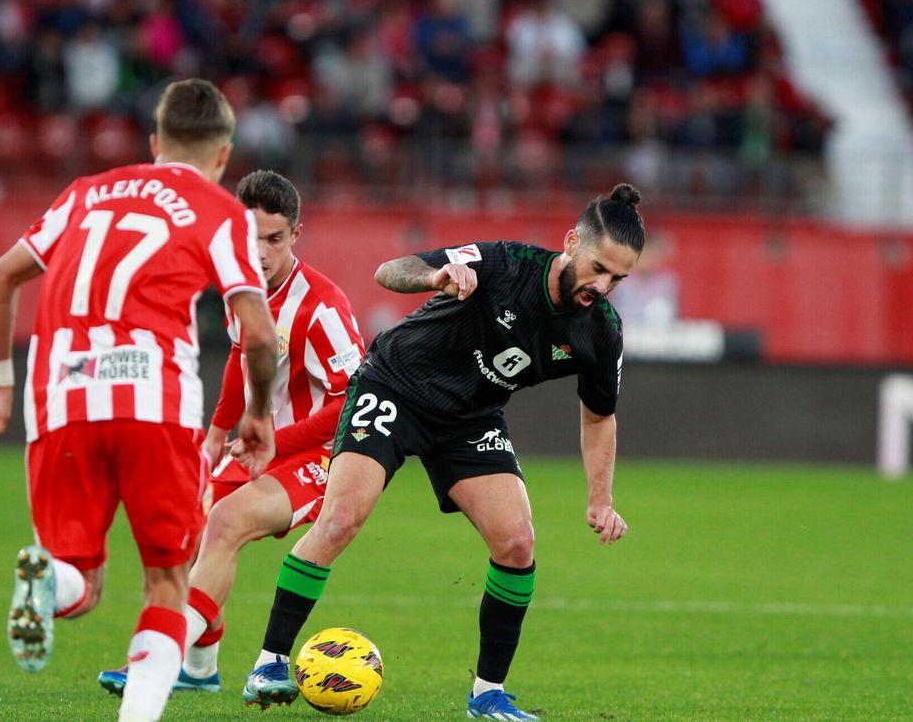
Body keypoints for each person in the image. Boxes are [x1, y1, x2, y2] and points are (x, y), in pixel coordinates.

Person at [239, 183, 645, 721]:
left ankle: (488, 695)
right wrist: (437, 275)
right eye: (598, 267)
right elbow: (390, 269)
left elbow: (599, 415)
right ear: (571, 241)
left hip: (470, 418)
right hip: (395, 387)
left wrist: (600, 499)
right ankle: (269, 662)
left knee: (517, 542)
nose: (603, 285)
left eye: (618, 277)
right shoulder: (506, 263)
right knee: (340, 519)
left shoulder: (601, 332)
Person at [0, 79, 280, 722]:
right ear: (223, 156)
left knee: (80, 583)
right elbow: (261, 335)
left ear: (156, 141)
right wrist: (258, 411)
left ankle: (48, 583)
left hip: (62, 396)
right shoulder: (221, 212)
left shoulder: (85, 194)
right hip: (152, 401)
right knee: (166, 581)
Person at [97, 170, 365, 696]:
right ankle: (199, 671)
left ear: (296, 234)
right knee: (190, 543)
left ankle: (157, 664)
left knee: (223, 524)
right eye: (249, 238)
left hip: (320, 454)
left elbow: (353, 402)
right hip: (255, 444)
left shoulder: (321, 306)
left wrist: (275, 444)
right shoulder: (237, 289)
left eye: (274, 239)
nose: (260, 253)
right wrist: (217, 434)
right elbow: (242, 355)